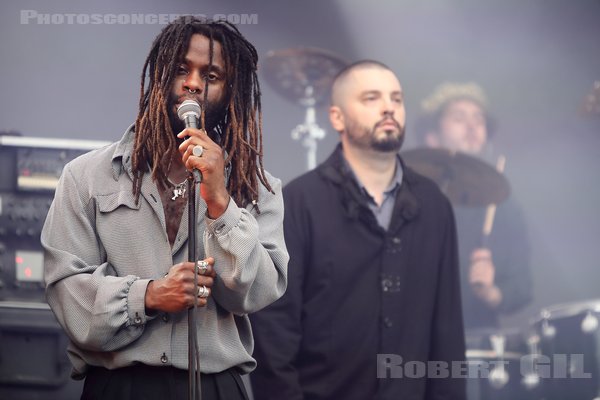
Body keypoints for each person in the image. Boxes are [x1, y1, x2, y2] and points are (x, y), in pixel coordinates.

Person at [41, 17, 288, 400]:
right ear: (158, 76)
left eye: (211, 75)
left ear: (229, 92)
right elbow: (67, 297)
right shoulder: (86, 177)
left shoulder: (259, 189)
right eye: (179, 69)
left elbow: (254, 294)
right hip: (119, 386)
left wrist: (221, 203)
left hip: (214, 386)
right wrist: (149, 295)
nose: (192, 82)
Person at [250, 61, 466, 400]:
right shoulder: (298, 201)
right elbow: (273, 333)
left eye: (396, 98)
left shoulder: (434, 205)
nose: (388, 107)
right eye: (371, 98)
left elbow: (448, 332)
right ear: (336, 117)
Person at [415, 82, 532, 331]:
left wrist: (491, 292)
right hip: (414, 344)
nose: (472, 126)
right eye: (459, 118)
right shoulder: (409, 199)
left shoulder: (502, 205)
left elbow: (523, 287)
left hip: (479, 342)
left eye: (479, 120)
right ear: (432, 137)